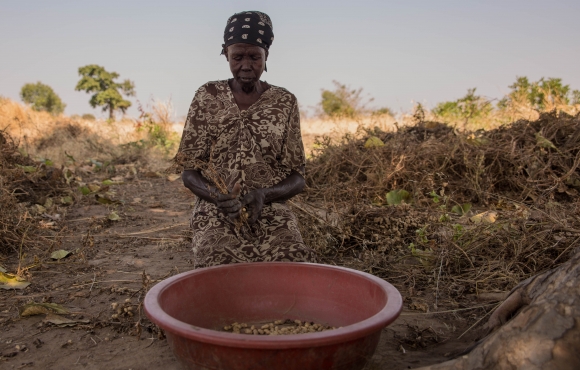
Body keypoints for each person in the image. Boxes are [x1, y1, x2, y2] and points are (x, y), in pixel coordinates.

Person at [172, 11, 316, 268]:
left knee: (293, 262)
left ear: (266, 56)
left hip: (271, 208)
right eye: (237, 57)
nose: (246, 65)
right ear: (226, 54)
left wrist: (264, 195)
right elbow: (189, 171)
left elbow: (298, 176)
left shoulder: (284, 102)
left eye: (255, 57)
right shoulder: (207, 96)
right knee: (220, 264)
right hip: (216, 207)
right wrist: (218, 197)